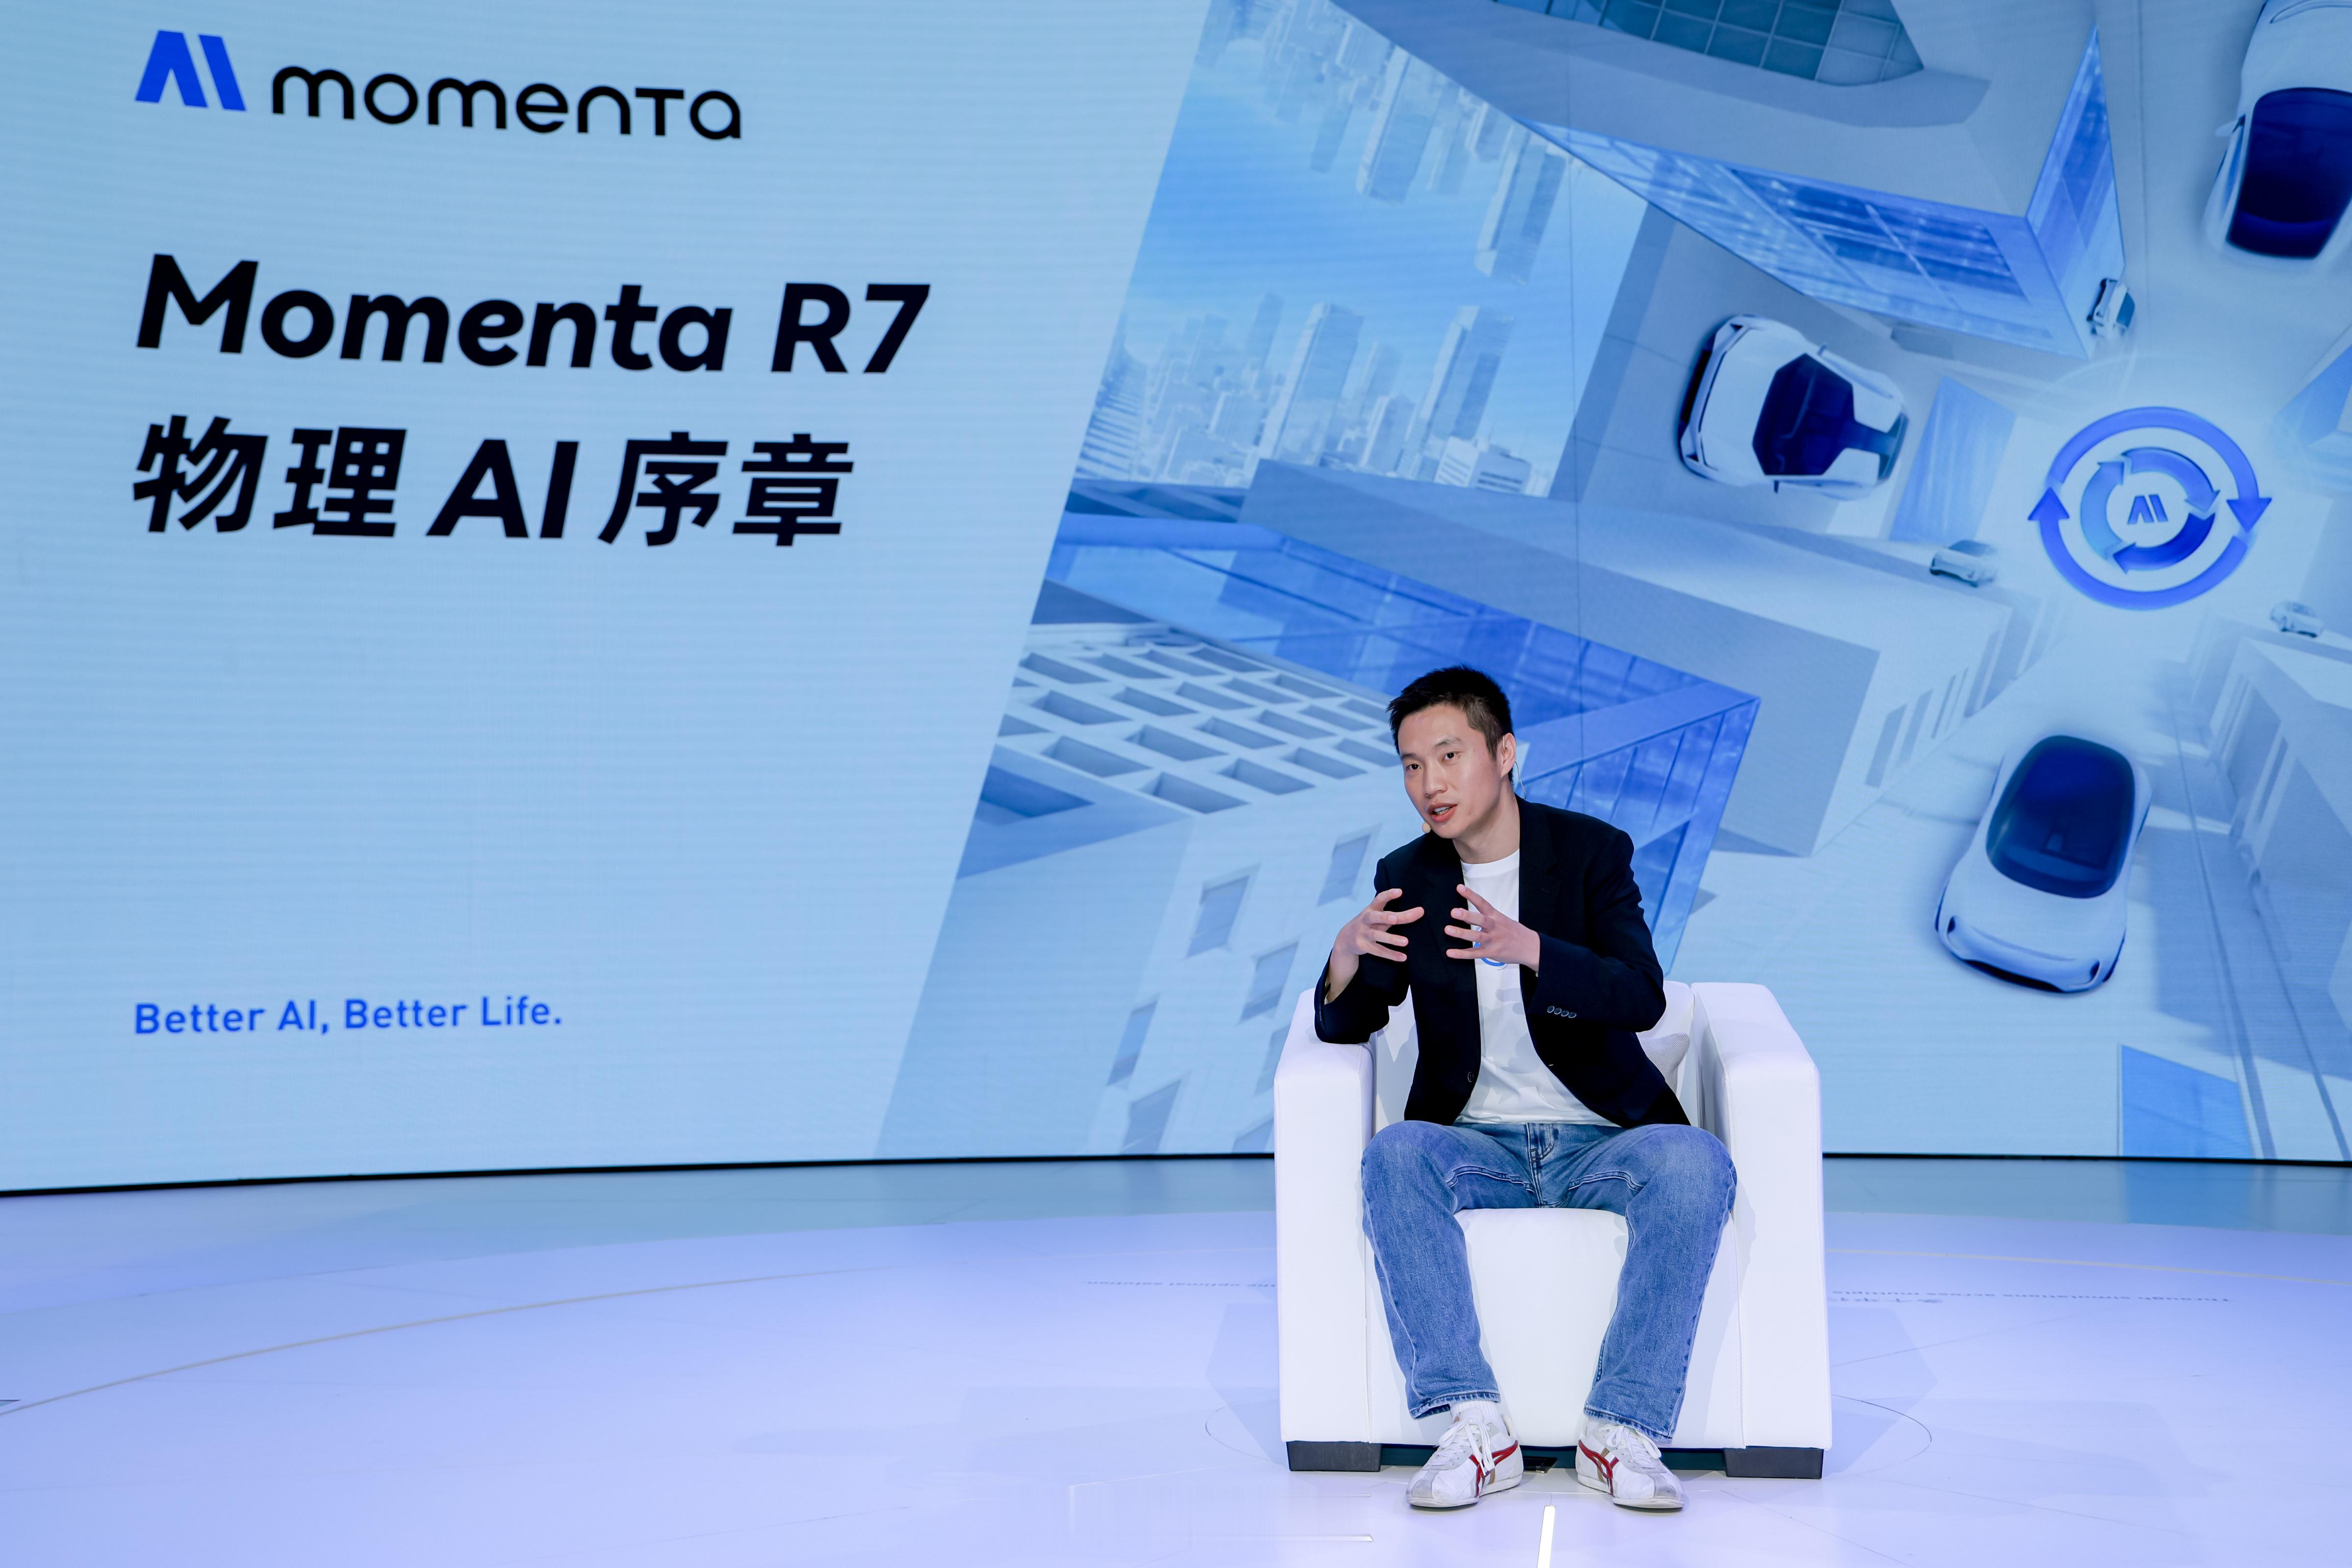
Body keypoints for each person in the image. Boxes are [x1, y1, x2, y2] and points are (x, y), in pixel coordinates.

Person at [1314, 665, 1734, 1514]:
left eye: (1449, 756)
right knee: (1394, 1154)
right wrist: (1345, 955)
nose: (1429, 785)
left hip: (1601, 1137)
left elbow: (1642, 995)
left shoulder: (1590, 854)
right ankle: (1475, 1427)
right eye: (1410, 765)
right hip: (1478, 1143)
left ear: (1504, 754)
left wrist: (1530, 948)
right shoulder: (1410, 874)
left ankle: (1620, 1430)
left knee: (1696, 1162)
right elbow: (1350, 1023)